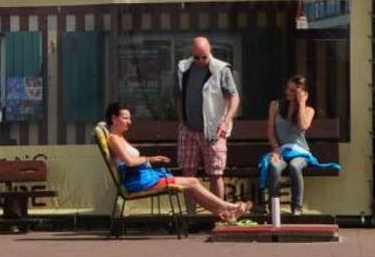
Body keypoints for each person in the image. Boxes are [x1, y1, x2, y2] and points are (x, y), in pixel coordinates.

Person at [104, 102, 249, 224]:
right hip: (139, 181)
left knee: (191, 185)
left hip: (143, 177)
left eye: (129, 118)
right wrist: (149, 159)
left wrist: (149, 159)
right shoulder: (114, 139)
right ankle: (229, 207)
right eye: (125, 118)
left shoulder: (119, 137)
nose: (129, 122)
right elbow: (129, 162)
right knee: (192, 182)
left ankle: (224, 212)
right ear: (114, 118)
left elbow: (131, 161)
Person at [260, 75, 338, 216]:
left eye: (294, 91)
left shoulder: (309, 110)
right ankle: (274, 208)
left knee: (295, 166)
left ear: (302, 93)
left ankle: (297, 208)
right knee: (274, 166)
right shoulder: (275, 106)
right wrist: (276, 149)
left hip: (300, 152)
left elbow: (303, 126)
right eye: (288, 89)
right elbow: (271, 133)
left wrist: (302, 103)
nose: (288, 93)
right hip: (281, 151)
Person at [176, 36, 239, 204]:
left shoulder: (220, 69)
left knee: (216, 173)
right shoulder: (184, 68)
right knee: (188, 174)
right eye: (196, 57)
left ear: (210, 52)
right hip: (189, 129)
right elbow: (178, 96)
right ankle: (191, 217)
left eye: (204, 57)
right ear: (192, 54)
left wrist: (226, 122)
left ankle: (218, 215)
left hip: (213, 129)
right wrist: (182, 120)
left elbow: (234, 97)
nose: (200, 61)